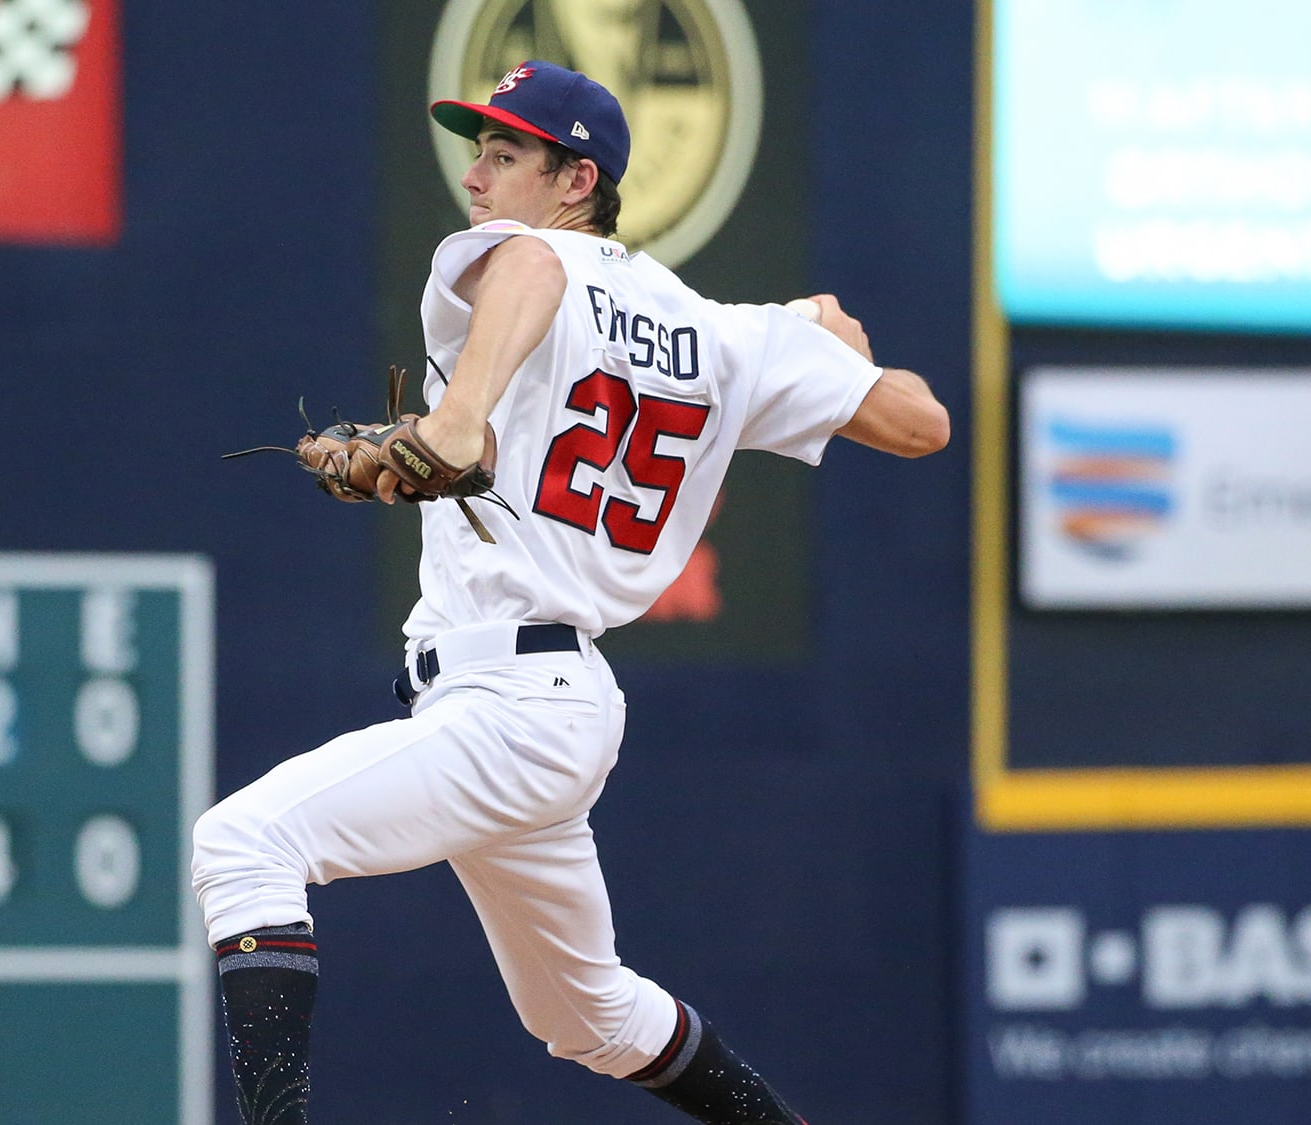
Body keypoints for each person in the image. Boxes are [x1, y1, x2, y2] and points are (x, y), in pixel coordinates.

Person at [192, 60, 949, 1125]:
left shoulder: (526, 256)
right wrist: (831, 342)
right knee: (584, 1016)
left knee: (242, 842)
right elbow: (920, 424)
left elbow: (539, 273)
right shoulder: (730, 335)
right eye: (478, 150)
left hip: (510, 701)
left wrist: (457, 424)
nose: (478, 174)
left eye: (506, 154)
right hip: (551, 704)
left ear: (574, 179)